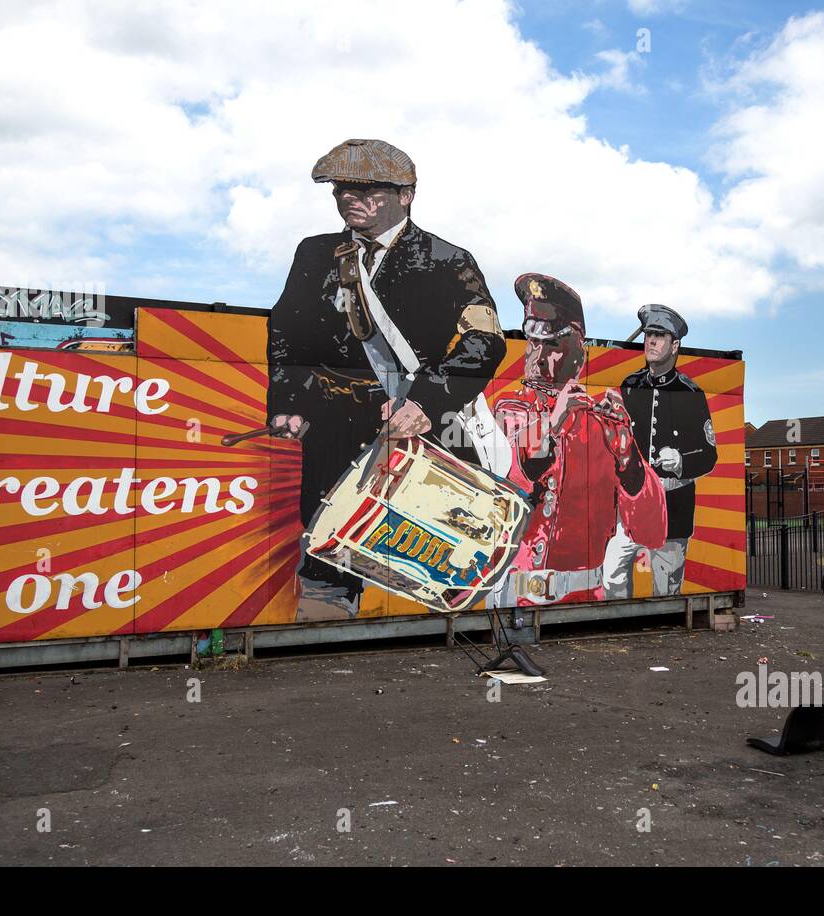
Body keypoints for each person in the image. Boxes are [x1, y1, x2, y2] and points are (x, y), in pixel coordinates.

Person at [266, 138, 506, 621]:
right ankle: (322, 644)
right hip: (334, 432)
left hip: (419, 434)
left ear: (406, 194)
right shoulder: (315, 254)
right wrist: (288, 400)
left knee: (426, 542)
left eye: (366, 190)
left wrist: (425, 402)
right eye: (340, 190)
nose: (348, 199)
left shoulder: (447, 260)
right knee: (327, 546)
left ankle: (434, 644)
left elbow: (485, 343)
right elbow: (286, 332)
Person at [490, 274, 667, 607]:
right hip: (517, 594)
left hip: (588, 596)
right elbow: (505, 482)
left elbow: (652, 532)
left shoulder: (602, 419)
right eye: (533, 343)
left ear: (578, 352)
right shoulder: (511, 406)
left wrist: (627, 457)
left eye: (553, 345)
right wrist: (552, 424)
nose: (539, 357)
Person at [603, 304, 718, 597]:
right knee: (612, 571)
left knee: (665, 586)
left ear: (675, 344)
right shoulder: (630, 385)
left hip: (673, 501)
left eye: (659, 336)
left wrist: (680, 461)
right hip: (634, 498)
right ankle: (617, 620)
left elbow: (709, 455)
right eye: (648, 335)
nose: (651, 342)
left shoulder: (691, 393)